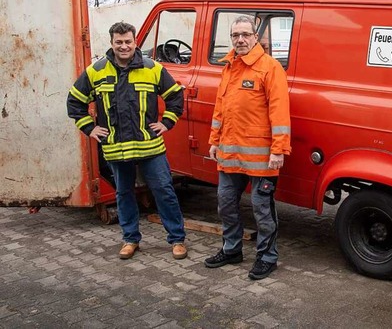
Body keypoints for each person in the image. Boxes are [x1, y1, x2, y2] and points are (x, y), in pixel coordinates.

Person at [67, 21, 187, 260]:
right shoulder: (96, 71)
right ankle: (130, 239)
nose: (124, 46)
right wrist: (90, 128)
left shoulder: (152, 68)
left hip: (150, 147)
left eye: (128, 42)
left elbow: (175, 96)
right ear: (112, 43)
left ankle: (177, 239)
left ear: (135, 42)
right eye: (119, 42)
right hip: (117, 149)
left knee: (164, 191)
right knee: (124, 194)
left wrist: (166, 123)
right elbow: (75, 102)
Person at [205, 15, 291, 280]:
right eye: (235, 35)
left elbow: (280, 112)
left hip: (261, 157)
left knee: (261, 209)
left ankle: (267, 257)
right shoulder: (229, 66)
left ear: (256, 37)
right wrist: (214, 140)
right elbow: (221, 109)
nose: (240, 39)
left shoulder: (270, 68)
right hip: (229, 153)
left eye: (245, 34)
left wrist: (279, 150)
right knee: (225, 205)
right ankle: (232, 250)